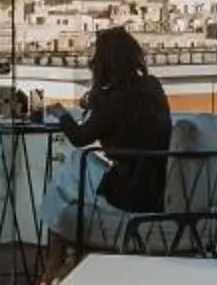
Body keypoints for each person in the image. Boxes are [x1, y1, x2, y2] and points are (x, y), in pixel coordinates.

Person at [42, 25, 172, 247]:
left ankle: (54, 265)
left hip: (128, 189)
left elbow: (80, 138)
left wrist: (62, 115)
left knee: (71, 168)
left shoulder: (110, 100)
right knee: (67, 187)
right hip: (158, 185)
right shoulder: (153, 87)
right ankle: (61, 264)